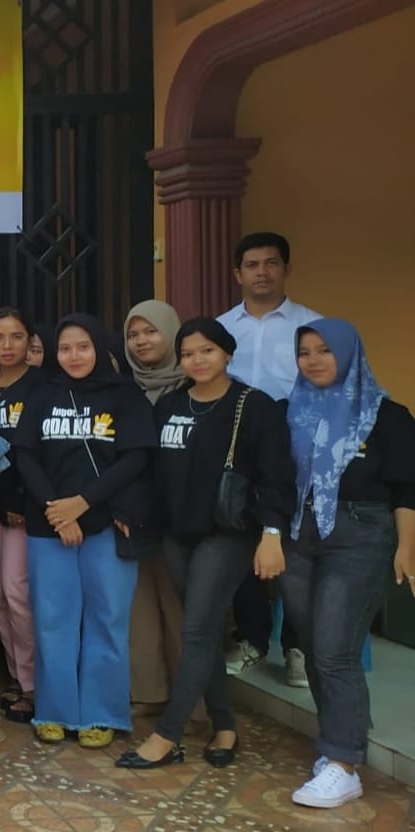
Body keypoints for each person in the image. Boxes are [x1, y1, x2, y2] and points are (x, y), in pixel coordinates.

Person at [117, 318, 294, 771]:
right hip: (177, 533)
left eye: (207, 351)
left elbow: (277, 478)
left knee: (195, 630)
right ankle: (225, 724)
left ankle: (167, 735)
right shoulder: (172, 404)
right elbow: (153, 471)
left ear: (227, 353)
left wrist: (272, 534)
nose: (197, 360)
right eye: (189, 353)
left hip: (228, 534)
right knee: (204, 630)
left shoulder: (255, 407)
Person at [280, 319, 415, 809]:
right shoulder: (288, 410)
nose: (313, 360)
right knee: (314, 644)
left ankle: (343, 764)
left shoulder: (387, 414)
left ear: (350, 354)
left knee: (336, 646)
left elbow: (406, 486)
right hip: (299, 533)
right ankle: (341, 735)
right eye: (305, 352)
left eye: (324, 351)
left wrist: (407, 545)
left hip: (360, 534)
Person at [13, 314, 157, 749]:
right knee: (53, 621)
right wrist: (58, 512)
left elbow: (135, 460)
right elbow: (25, 456)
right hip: (49, 526)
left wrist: (83, 504)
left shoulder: (125, 395)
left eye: (83, 347)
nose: (73, 356)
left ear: (100, 348)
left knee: (107, 619)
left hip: (106, 523)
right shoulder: (42, 394)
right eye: (65, 348)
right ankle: (54, 712)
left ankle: (101, 713)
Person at [218, 232, 321, 684]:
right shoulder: (222, 329)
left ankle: (297, 647)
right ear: (237, 273)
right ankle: (253, 639)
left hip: (298, 445)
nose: (262, 272)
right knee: (242, 539)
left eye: (271, 263)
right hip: (239, 447)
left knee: (297, 546)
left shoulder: (311, 327)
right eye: (252, 265)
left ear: (286, 268)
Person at [122, 300, 187, 718]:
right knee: (139, 605)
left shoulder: (194, 385)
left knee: (182, 608)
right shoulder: (122, 388)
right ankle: (147, 692)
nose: (142, 341)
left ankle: (191, 699)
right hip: (132, 513)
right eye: (133, 334)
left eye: (151, 331)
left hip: (183, 517)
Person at [0, 308, 41, 723]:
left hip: (21, 509)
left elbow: (35, 452)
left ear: (29, 342)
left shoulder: (41, 388)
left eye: (16, 337)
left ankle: (35, 683)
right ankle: (16, 676)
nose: (7, 345)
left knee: (19, 592)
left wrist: (23, 500)